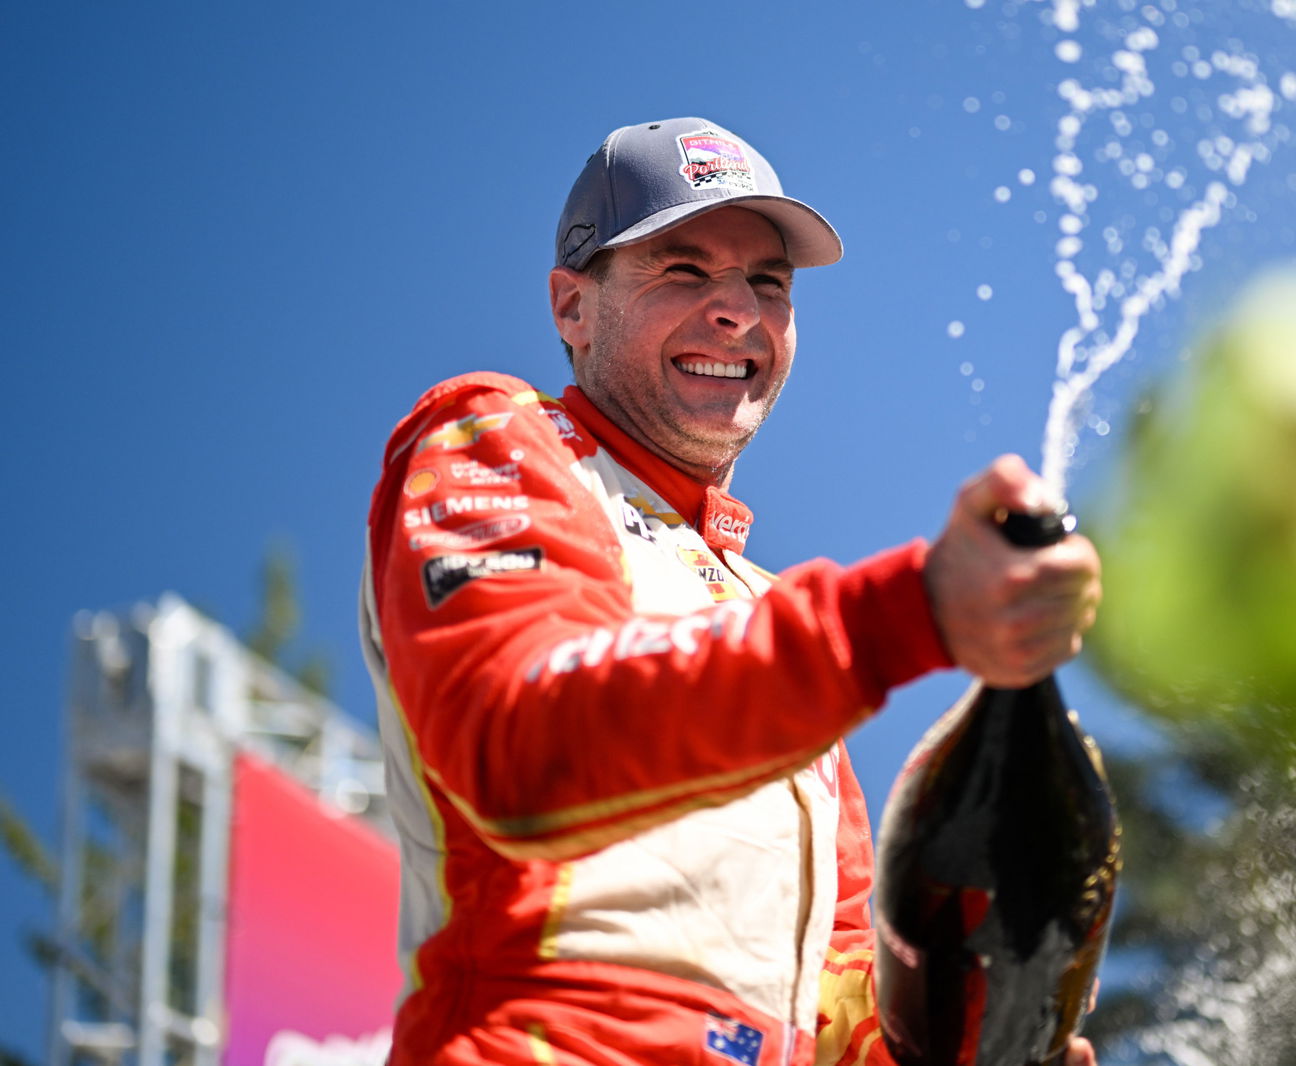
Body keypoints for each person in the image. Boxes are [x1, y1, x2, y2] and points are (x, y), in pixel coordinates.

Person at [359, 116, 1103, 1066]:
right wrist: (903, 614)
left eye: (768, 282)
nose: (737, 312)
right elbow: (524, 746)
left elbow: (832, 989)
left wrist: (963, 1036)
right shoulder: (497, 438)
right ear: (571, 307)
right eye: (683, 270)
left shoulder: (766, 610)